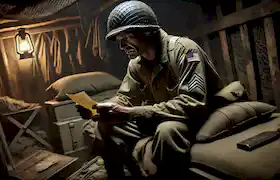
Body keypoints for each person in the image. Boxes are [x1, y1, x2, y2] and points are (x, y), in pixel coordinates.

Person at [77, 1, 223, 179]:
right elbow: (125, 97)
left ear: (147, 32)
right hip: (163, 114)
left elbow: (192, 104)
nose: (122, 47)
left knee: (166, 130)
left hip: (196, 115)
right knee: (103, 125)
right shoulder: (136, 65)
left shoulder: (184, 50)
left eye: (127, 38)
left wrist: (132, 113)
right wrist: (102, 108)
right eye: (119, 41)